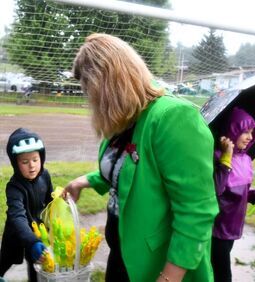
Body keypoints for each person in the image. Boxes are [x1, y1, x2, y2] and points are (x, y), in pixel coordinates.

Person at [62, 33, 218, 282]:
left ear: (109, 84)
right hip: (122, 253)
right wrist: (86, 180)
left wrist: (169, 277)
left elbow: (196, 211)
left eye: (89, 89)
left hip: (156, 266)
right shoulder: (125, 118)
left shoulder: (173, 118)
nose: (89, 98)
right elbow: (128, 171)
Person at [211, 107, 255, 282]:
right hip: (216, 230)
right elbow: (215, 191)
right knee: (222, 275)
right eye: (245, 132)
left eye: (252, 132)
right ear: (232, 131)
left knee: (215, 272)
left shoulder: (246, 159)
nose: (249, 137)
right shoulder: (216, 157)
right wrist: (226, 159)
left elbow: (244, 193)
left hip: (233, 229)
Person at [0, 128, 53, 282]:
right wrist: (31, 240)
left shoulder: (45, 175)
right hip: (18, 230)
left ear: (41, 158)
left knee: (36, 262)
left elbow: (50, 201)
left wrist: (59, 201)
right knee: (6, 258)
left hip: (38, 229)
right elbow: (17, 216)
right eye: (25, 162)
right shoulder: (14, 187)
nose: (31, 166)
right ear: (15, 163)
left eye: (35, 160)